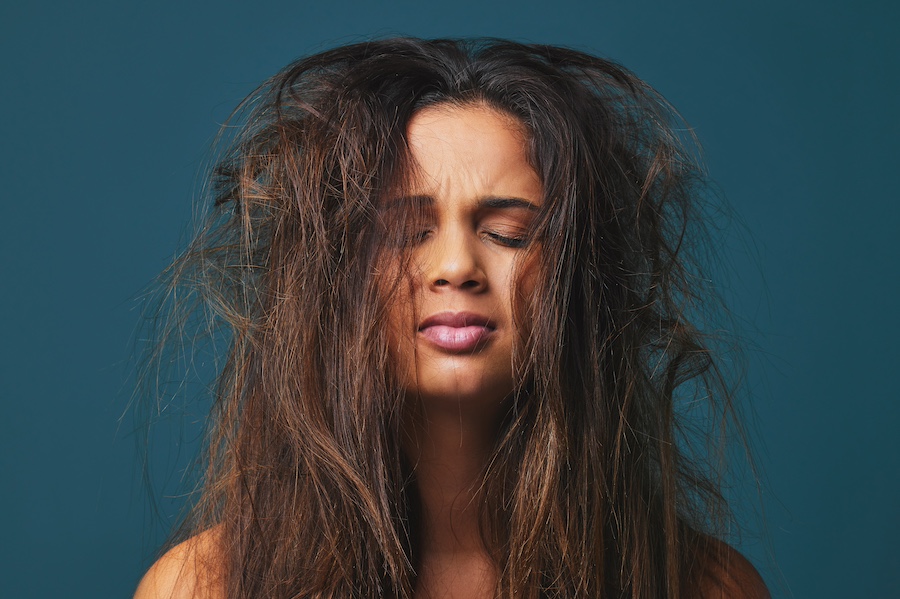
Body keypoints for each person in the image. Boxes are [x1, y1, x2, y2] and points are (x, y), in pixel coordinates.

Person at [135, 38, 769, 599]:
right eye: (405, 232)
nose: (456, 266)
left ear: (581, 279)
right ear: (331, 282)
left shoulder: (704, 587)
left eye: (508, 233)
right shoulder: (200, 588)